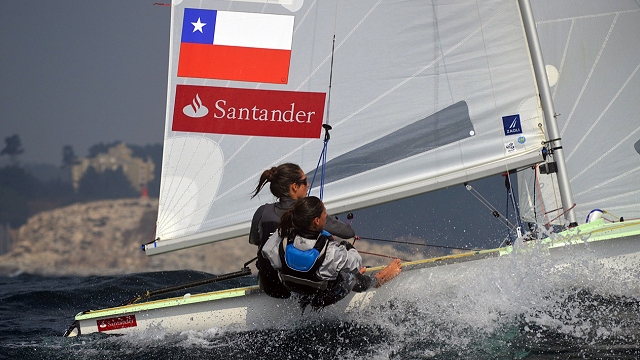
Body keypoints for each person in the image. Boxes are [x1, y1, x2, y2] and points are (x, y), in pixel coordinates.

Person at [261, 196, 402, 310]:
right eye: (325, 214)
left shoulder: (282, 239)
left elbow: (266, 252)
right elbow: (356, 261)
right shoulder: (331, 251)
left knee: (322, 272)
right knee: (351, 277)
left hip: (296, 292)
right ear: (316, 221)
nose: (326, 216)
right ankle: (378, 278)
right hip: (323, 299)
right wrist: (347, 247)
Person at [249, 163, 355, 298]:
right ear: (294, 187)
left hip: (270, 287)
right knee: (343, 266)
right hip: (299, 289)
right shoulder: (306, 214)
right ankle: (372, 281)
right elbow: (348, 233)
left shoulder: (262, 212)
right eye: (304, 181)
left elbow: (255, 241)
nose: (308, 185)